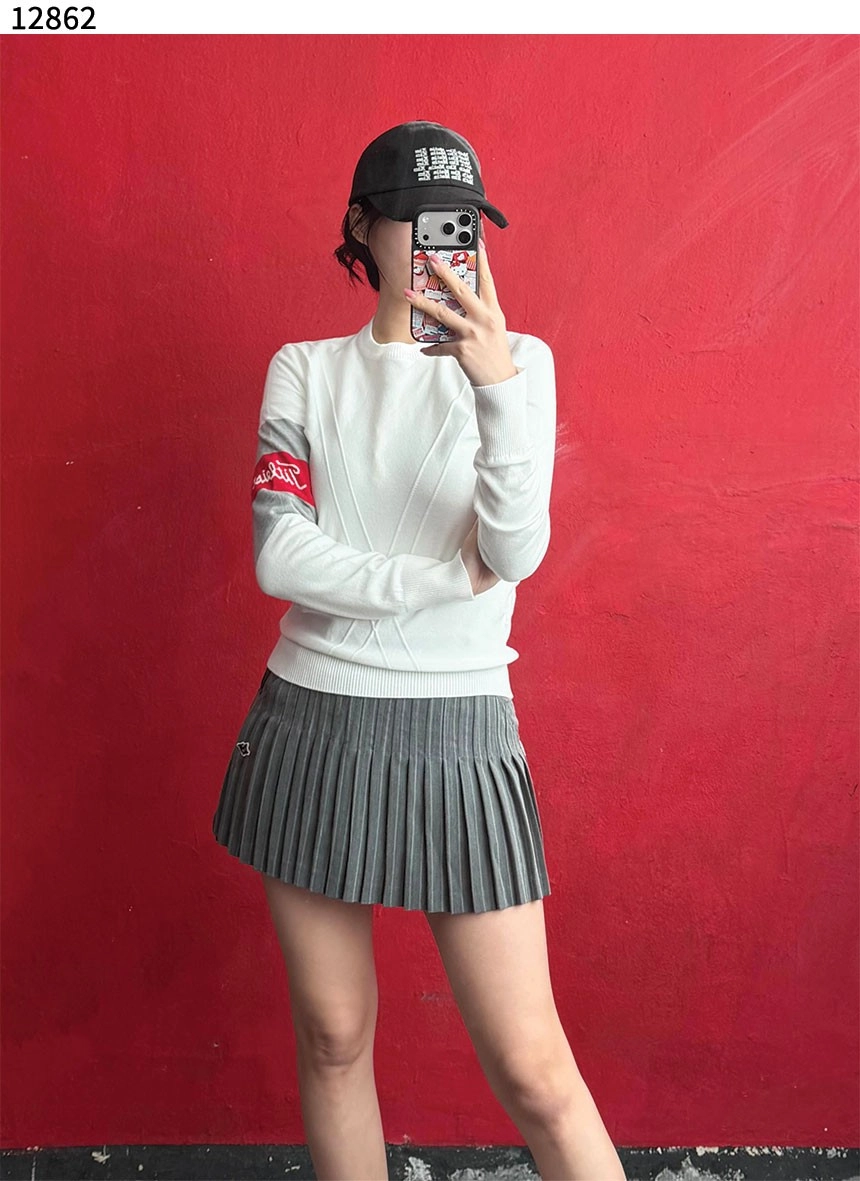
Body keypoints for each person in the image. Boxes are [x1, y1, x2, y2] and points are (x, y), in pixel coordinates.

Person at [212, 121, 626, 1181]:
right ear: (363, 228)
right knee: (333, 1034)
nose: (451, 249)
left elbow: (515, 550)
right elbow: (279, 553)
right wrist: (437, 582)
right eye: (424, 223)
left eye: (467, 227)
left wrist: (493, 385)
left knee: (534, 1069)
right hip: (310, 719)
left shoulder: (520, 365)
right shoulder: (305, 371)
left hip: (459, 727)